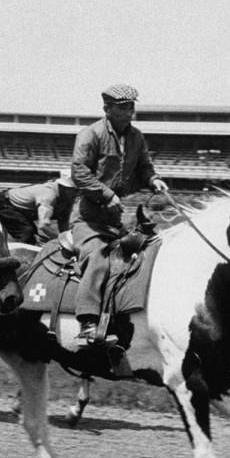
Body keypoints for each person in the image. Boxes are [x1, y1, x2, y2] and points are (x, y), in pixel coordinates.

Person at [69, 83, 168, 344]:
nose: (130, 112)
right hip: (88, 219)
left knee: (150, 251)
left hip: (115, 220)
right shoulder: (90, 134)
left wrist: (154, 179)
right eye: (123, 108)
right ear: (107, 109)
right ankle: (88, 324)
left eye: (132, 107)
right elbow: (79, 172)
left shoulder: (136, 137)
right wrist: (106, 194)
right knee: (98, 257)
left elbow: (144, 167)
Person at [0, 170, 78, 245]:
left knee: (37, 237)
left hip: (23, 210)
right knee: (26, 233)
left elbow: (63, 222)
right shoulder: (48, 195)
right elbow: (43, 225)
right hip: (6, 204)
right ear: (64, 188)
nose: (77, 193)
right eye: (75, 190)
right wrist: (59, 239)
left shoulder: (67, 199)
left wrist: (68, 239)